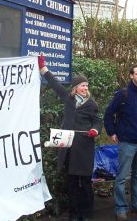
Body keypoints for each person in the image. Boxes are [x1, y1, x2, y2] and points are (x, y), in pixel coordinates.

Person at [38, 55, 101, 221]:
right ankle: (74, 215)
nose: (85, 88)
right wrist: (43, 69)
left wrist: (95, 130)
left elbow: (97, 121)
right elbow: (55, 84)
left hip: (85, 150)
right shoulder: (68, 99)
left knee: (85, 185)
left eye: (86, 85)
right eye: (82, 85)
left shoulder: (92, 104)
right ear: (75, 88)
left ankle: (86, 215)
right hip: (69, 150)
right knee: (72, 184)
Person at [104, 65, 137, 221]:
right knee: (122, 177)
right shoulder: (122, 94)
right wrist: (111, 132)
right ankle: (120, 208)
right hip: (126, 143)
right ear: (131, 76)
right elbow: (109, 113)